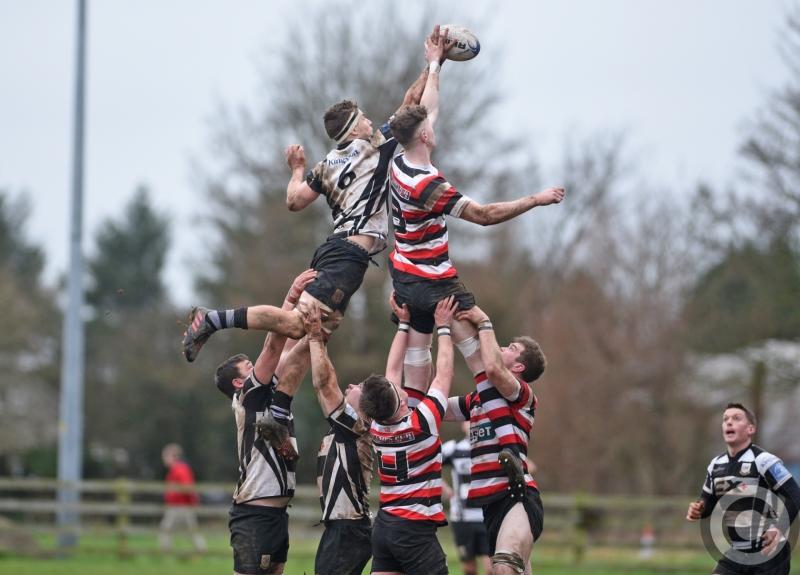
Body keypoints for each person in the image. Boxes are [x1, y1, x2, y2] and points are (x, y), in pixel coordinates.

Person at [181, 27, 452, 363]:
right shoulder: (374, 146)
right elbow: (413, 104)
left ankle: (276, 403)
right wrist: (433, 64)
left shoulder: (326, 165)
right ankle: (213, 320)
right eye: (364, 118)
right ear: (354, 128)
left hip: (335, 249)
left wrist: (296, 168)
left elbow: (294, 200)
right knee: (299, 326)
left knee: (317, 333)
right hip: (348, 254)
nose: (370, 121)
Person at [385, 95, 566, 403]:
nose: (433, 122)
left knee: (416, 357)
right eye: (429, 124)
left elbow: (429, 109)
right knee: (482, 363)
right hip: (435, 282)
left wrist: (435, 64)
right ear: (425, 136)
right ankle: (497, 416)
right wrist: (535, 200)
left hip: (403, 275)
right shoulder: (428, 185)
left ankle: (412, 418)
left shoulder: (399, 162)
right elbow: (484, 216)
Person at [298, 294, 411, 575]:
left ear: (368, 405)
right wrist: (404, 326)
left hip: (348, 529)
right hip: (345, 528)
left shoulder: (356, 424)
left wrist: (315, 337)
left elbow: (325, 384)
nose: (351, 385)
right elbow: (391, 374)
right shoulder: (350, 424)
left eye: (358, 385)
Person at [212, 271, 315, 575]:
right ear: (238, 381)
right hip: (254, 513)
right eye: (250, 367)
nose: (258, 367)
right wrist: (293, 295)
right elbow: (273, 346)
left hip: (274, 515)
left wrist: (307, 315)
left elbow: (284, 350)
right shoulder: (248, 395)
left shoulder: (265, 395)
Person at [359, 297, 458, 575]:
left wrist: (404, 323)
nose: (399, 384)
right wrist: (444, 328)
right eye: (397, 388)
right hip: (413, 528)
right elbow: (444, 373)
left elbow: (393, 369)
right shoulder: (421, 422)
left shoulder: (377, 426)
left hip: (385, 526)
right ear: (401, 401)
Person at [446, 305, 546, 575]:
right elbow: (438, 409)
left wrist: (484, 322)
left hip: (518, 497)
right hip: (489, 506)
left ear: (519, 366)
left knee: (504, 564)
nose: (503, 346)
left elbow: (490, 369)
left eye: (511, 347)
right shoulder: (477, 399)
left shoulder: (521, 395)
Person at [686, 403, 800, 575]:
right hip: (737, 553)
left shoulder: (764, 461)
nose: (729, 422)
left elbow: (795, 495)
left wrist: (777, 528)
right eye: (725, 419)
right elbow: (707, 504)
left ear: (750, 429)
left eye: (736, 418)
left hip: (769, 554)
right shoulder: (716, 465)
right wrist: (698, 509)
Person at [441, 422, 493, 575]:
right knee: (469, 569)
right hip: (462, 518)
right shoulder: (454, 448)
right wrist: (445, 489)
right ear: (462, 424)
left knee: (491, 568)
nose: (472, 424)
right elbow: (429, 465)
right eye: (468, 420)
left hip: (486, 517)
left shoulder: (490, 448)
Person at [158, 443, 207, 555]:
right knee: (191, 530)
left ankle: (165, 551)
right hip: (178, 506)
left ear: (174, 457)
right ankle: (201, 549)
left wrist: (192, 500)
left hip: (181, 506)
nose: (164, 459)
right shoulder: (176, 470)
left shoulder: (180, 469)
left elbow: (187, 487)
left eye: (166, 456)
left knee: (166, 529)